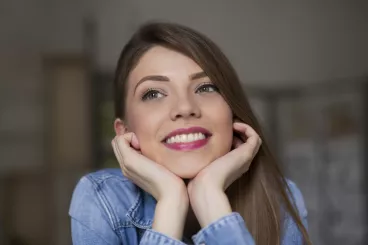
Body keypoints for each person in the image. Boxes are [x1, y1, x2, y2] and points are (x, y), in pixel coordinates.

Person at [69, 22, 311, 245]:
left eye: (206, 87)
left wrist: (210, 198)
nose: (185, 108)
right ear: (125, 132)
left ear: (233, 113)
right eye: (153, 94)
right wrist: (171, 202)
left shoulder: (279, 199)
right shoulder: (103, 198)